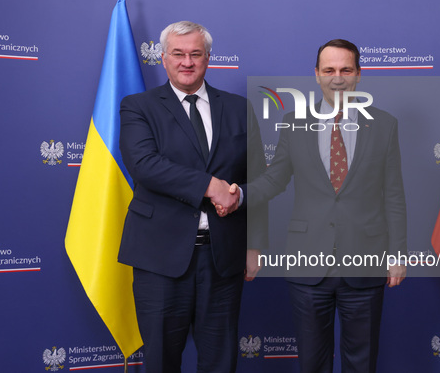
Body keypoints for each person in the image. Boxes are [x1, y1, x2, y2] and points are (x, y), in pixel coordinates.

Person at [243, 39, 407, 372]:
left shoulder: (385, 124)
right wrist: (239, 195)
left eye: (346, 69)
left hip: (366, 262)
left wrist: (398, 254)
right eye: (329, 70)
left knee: (362, 362)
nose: (338, 78)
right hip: (307, 263)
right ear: (316, 75)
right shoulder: (294, 122)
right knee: (312, 363)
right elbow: (275, 179)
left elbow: (394, 195)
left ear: (359, 75)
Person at [117, 21, 265, 373]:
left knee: (220, 361)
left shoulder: (238, 107)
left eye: (195, 54)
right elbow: (144, 164)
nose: (187, 62)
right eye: (178, 54)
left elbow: (259, 178)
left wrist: (254, 244)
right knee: (161, 361)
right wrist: (210, 185)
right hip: (160, 259)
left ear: (208, 58)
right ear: (163, 59)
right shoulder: (138, 106)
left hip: (223, 259)